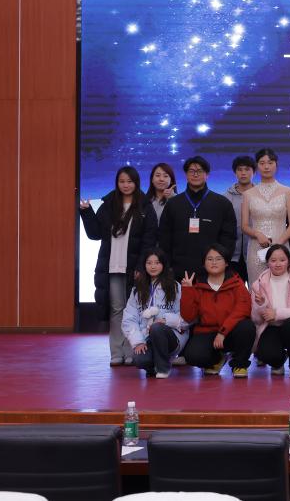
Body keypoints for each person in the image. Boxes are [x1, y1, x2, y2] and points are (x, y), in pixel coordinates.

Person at [79, 166, 158, 366]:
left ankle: (132, 350)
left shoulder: (145, 206)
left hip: (135, 268)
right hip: (112, 266)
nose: (126, 185)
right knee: (116, 309)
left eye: (129, 181)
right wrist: (86, 213)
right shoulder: (108, 205)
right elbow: (95, 234)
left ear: (136, 183)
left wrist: (142, 266)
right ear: (117, 183)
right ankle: (116, 352)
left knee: (134, 310)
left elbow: (149, 240)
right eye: (122, 181)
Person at [180, 244, 256, 378]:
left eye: (218, 259)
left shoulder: (237, 283)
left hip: (231, 331)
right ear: (204, 263)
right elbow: (188, 317)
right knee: (193, 356)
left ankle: (240, 364)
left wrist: (223, 332)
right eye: (209, 259)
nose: (214, 262)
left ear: (226, 263)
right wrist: (187, 291)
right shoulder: (198, 285)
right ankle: (217, 359)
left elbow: (242, 310)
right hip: (207, 332)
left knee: (247, 327)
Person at [157, 156, 237, 277]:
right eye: (191, 171)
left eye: (199, 171)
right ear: (186, 174)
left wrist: (220, 263)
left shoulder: (222, 203)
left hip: (212, 270)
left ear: (207, 175)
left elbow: (229, 238)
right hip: (178, 269)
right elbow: (164, 237)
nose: (195, 174)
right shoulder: (173, 204)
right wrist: (167, 265)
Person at [121, 247, 187, 378]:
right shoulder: (137, 290)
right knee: (140, 360)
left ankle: (163, 368)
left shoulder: (174, 286)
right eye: (149, 263)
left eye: (157, 263)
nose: (153, 266)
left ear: (163, 264)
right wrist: (138, 341)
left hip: (171, 337)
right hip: (146, 337)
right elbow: (129, 318)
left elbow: (186, 316)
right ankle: (153, 366)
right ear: (144, 265)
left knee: (157, 328)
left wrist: (167, 320)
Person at [250, 244, 290, 378]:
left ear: (289, 261)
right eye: (273, 260)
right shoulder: (258, 284)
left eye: (282, 260)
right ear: (267, 262)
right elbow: (256, 319)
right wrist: (261, 305)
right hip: (271, 327)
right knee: (265, 354)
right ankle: (279, 361)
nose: (278, 264)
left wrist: (277, 313)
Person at [241, 148, 290, 287]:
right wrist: (257, 234)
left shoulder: (288, 192)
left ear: (276, 165)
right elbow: (244, 226)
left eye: (270, 162)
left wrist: (279, 243)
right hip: (256, 249)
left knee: (282, 287)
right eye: (262, 163)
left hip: (281, 246)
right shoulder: (248, 194)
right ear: (257, 166)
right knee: (258, 288)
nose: (266, 166)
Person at [224, 155, 256, 283]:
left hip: (256, 253)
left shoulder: (260, 195)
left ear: (254, 172)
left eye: (247, 169)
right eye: (239, 169)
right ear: (235, 172)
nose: (243, 173)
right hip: (232, 255)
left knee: (257, 291)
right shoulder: (225, 197)